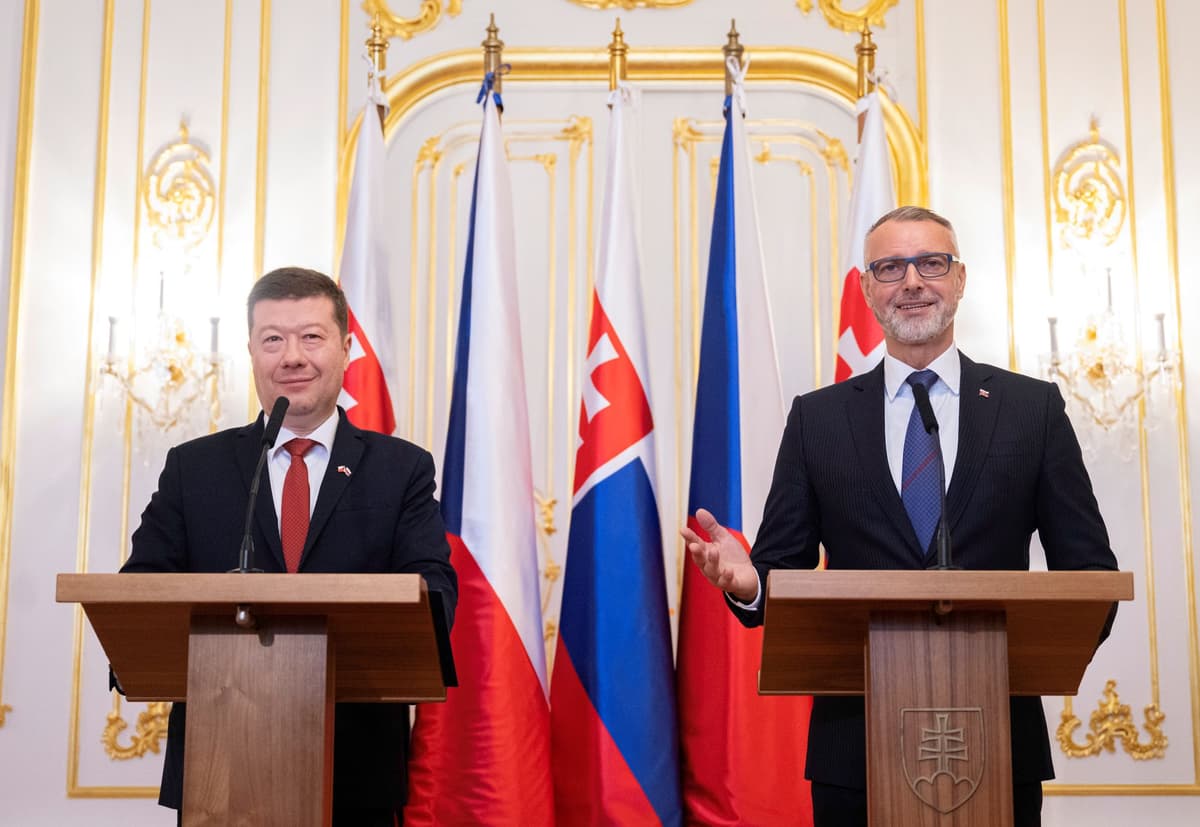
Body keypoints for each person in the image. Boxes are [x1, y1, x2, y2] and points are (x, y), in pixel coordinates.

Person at [682, 206, 1118, 827]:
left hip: (999, 742)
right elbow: (784, 567)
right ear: (867, 289)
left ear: (959, 279)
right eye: (890, 267)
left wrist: (1022, 653)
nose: (911, 282)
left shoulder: (1032, 410)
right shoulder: (818, 419)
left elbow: (1091, 573)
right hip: (851, 755)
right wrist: (751, 584)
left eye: (930, 263)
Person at [121, 266, 457, 826]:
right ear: (251, 351)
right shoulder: (194, 468)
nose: (292, 356)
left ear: (346, 349)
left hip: (357, 769)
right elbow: (141, 588)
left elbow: (434, 592)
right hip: (217, 766)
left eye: (311, 337)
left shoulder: (401, 469)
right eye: (273, 339)